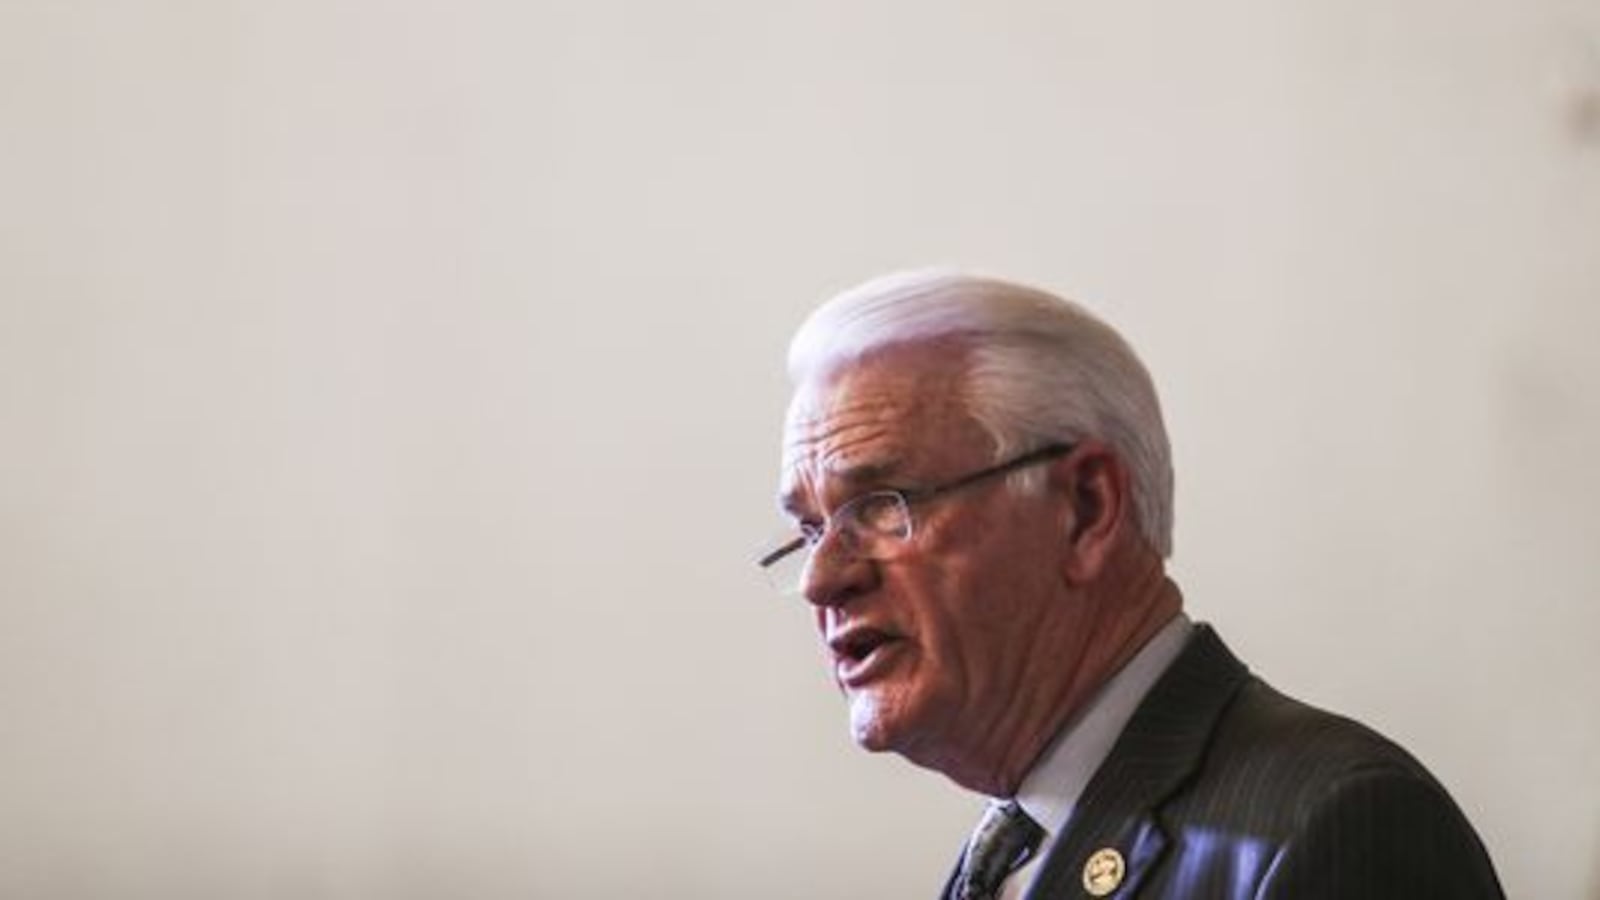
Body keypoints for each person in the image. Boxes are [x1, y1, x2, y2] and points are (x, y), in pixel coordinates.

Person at [759, 270, 1504, 899]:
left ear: (1087, 508)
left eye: (882, 508)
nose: (824, 580)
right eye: (813, 529)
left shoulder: (1339, 829)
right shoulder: (1017, 848)